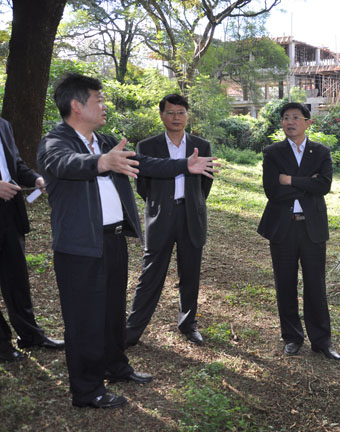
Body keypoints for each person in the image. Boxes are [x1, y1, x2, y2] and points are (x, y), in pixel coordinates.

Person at [37, 73, 216, 409]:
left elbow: (145, 163)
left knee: (111, 312)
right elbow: (63, 164)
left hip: (114, 240)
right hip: (80, 247)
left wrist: (184, 165)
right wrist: (101, 162)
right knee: (85, 319)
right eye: (99, 100)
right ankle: (87, 390)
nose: (104, 105)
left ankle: (116, 366)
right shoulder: (56, 141)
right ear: (77, 106)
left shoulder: (104, 140)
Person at [125, 94, 214, 347]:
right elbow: (142, 184)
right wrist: (159, 202)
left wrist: (192, 203)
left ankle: (188, 324)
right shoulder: (147, 146)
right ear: (161, 115)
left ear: (187, 115)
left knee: (190, 274)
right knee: (150, 274)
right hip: (160, 216)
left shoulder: (201, 145)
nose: (176, 117)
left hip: (191, 216)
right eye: (171, 112)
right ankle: (132, 331)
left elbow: (206, 183)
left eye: (181, 112)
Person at [257, 102, 340, 361]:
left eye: (295, 117)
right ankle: (292, 337)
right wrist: (307, 183)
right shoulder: (273, 152)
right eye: (286, 118)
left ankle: (322, 341)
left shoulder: (321, 152)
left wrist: (289, 180)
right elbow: (272, 190)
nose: (290, 122)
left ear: (308, 122)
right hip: (282, 227)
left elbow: (324, 186)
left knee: (316, 284)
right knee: (285, 283)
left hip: (312, 227)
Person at [0, 118, 64, 362]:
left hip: (11, 213)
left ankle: (30, 335)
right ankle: (2, 345)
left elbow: (14, 164)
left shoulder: (4, 125)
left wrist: (35, 179)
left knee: (16, 279)